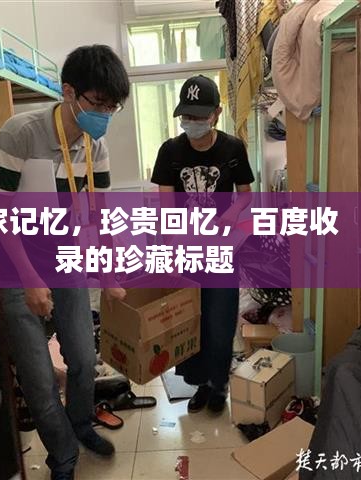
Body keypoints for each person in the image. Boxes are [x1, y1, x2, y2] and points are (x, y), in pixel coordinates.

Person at [0, 45, 129, 480]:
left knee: (83, 358)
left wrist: (108, 272)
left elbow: (100, 215)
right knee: (38, 377)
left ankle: (81, 424)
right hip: (15, 265)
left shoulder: (94, 144)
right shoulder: (20, 134)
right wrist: (29, 280)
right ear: (68, 92)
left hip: (65, 258)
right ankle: (63, 456)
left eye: (112, 107)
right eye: (97, 104)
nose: (104, 115)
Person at [151, 75, 254, 414]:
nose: (192, 122)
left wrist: (232, 214)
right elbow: (165, 208)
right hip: (186, 250)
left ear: (216, 113)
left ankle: (219, 384)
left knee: (220, 321)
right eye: (187, 116)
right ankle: (200, 385)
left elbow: (246, 196)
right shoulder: (170, 151)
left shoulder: (233, 148)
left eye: (199, 116)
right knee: (192, 320)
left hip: (223, 250)